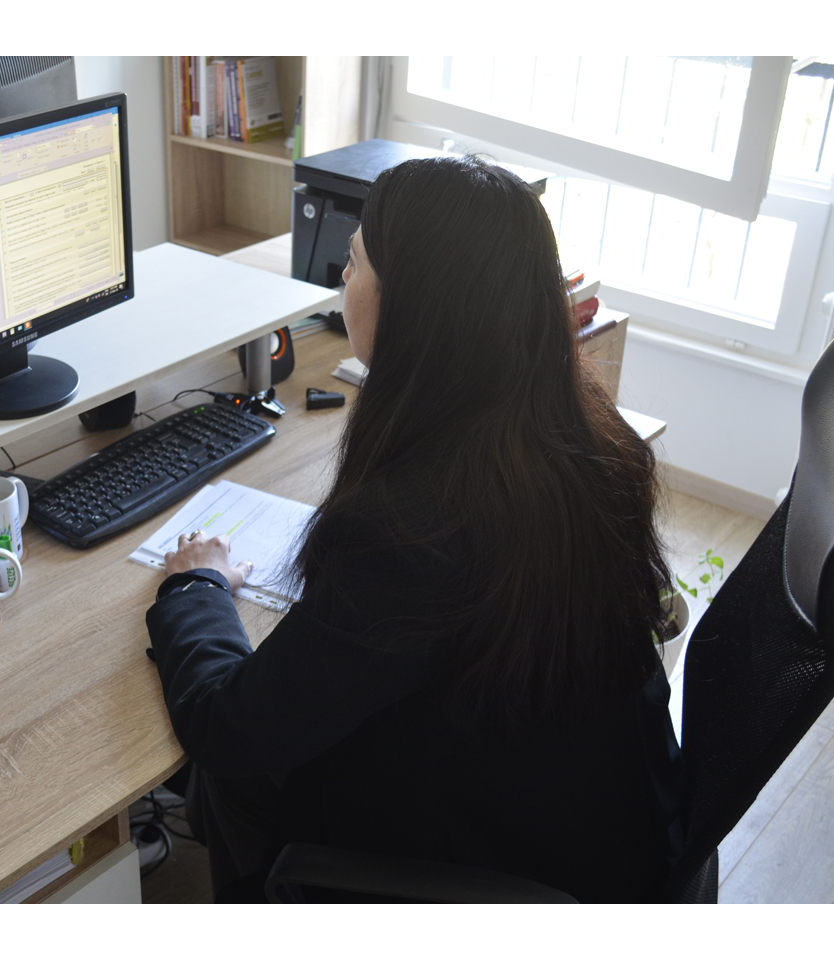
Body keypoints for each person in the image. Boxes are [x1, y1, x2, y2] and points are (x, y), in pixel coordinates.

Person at [144, 155, 684, 903]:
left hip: (510, 877)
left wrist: (197, 585)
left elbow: (232, 728)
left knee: (229, 772)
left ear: (414, 309)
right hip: (607, 833)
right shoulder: (592, 444)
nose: (341, 276)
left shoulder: (411, 531)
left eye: (354, 262)